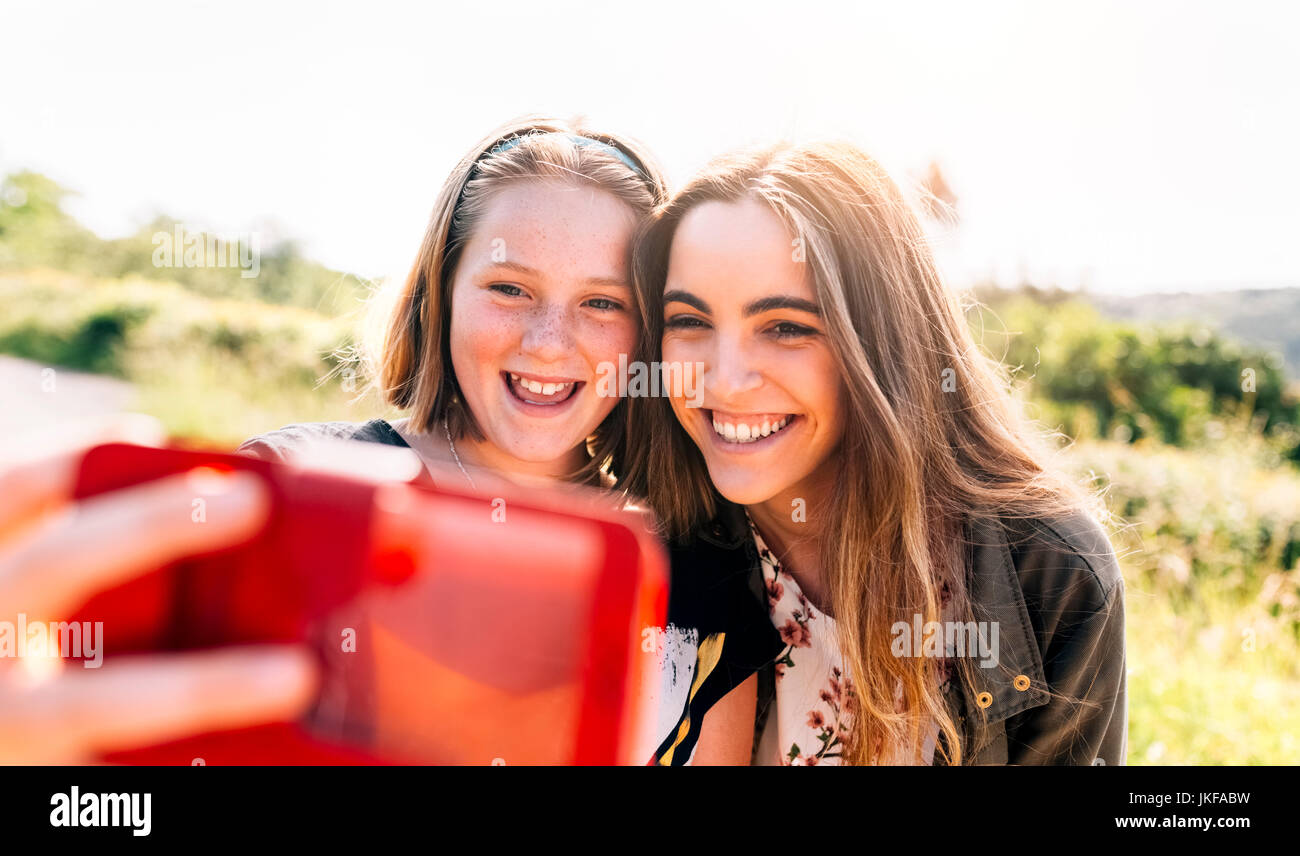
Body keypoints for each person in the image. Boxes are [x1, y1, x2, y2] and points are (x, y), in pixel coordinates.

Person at [237, 116, 770, 765]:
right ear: (443, 292)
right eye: (510, 288)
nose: (548, 341)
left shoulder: (701, 571)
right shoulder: (290, 488)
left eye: (603, 303)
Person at [622, 140, 1128, 765]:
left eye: (785, 327)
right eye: (690, 322)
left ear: (882, 341)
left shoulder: (1045, 574)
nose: (724, 381)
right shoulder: (643, 547)